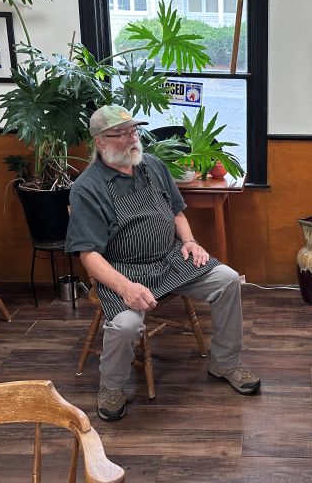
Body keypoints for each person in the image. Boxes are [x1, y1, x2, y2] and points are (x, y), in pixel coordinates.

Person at [65, 105, 260, 422]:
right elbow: (88, 256)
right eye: (122, 134)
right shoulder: (88, 187)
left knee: (227, 279)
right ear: (100, 142)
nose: (133, 138)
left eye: (134, 130)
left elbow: (176, 212)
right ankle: (112, 387)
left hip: (170, 258)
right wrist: (125, 288)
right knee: (126, 325)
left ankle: (225, 362)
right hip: (123, 271)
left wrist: (190, 242)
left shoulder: (152, 165)